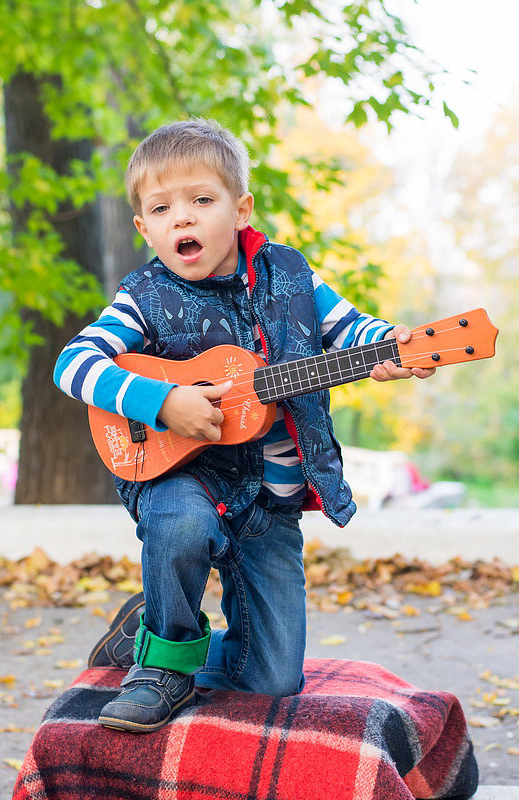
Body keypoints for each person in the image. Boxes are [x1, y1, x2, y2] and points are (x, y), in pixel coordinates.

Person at [54, 118, 435, 733]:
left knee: (274, 681)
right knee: (179, 522)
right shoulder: (143, 296)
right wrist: (163, 402)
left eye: (202, 200)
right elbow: (73, 364)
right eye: (162, 208)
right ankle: (162, 668)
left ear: (240, 210)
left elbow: (350, 330)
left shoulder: (292, 277)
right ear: (144, 228)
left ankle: (138, 644)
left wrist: (390, 346)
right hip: (185, 477)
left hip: (269, 501)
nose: (182, 218)